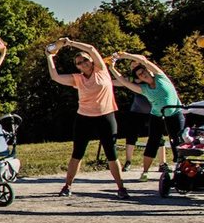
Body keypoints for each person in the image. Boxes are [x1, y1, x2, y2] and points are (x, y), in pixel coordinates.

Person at [45, 38, 128, 199]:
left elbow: (90, 47)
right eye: (79, 63)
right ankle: (67, 186)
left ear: (91, 60)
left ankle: (121, 187)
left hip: (106, 116)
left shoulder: (101, 70)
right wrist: (49, 56)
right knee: (77, 153)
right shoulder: (78, 78)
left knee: (111, 153)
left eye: (85, 60)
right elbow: (55, 77)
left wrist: (69, 42)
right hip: (84, 117)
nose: (83, 64)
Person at [109, 52, 183, 182]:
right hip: (157, 115)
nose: (142, 74)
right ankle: (145, 172)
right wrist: (112, 68)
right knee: (153, 142)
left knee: (179, 142)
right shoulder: (142, 88)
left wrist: (124, 55)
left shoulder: (161, 77)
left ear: (148, 71)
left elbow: (143, 60)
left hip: (175, 113)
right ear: (139, 78)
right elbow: (123, 82)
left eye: (143, 71)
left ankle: (181, 170)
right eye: (139, 75)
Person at [117, 77, 153, 172]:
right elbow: (121, 81)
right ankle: (128, 161)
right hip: (136, 112)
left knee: (157, 136)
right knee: (131, 136)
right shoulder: (132, 79)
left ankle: (162, 163)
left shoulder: (152, 79)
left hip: (153, 112)